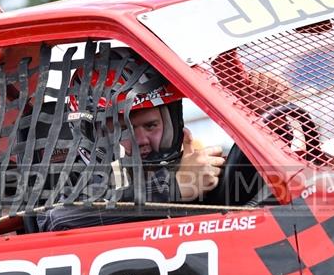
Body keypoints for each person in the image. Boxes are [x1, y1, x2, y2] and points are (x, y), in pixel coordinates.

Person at [36, 47, 227, 232]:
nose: (141, 140)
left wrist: (257, 108)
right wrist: (172, 187)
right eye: (124, 129)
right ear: (94, 134)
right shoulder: (72, 178)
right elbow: (58, 218)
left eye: (151, 125)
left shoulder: (191, 168)